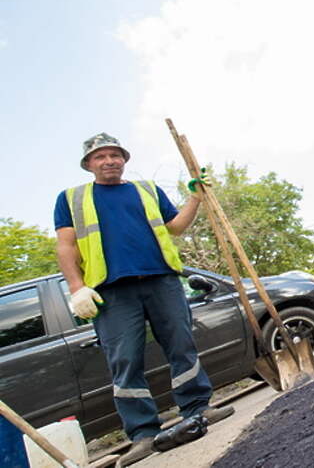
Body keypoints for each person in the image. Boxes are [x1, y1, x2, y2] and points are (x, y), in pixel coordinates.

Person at [53, 133, 232, 467]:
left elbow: (175, 227)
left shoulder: (147, 190)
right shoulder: (71, 199)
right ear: (88, 164)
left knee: (181, 346)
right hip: (111, 292)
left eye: (115, 155)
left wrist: (195, 198)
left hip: (161, 281)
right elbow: (66, 246)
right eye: (100, 156)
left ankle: (198, 408)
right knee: (124, 361)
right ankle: (143, 434)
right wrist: (77, 287)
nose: (109, 161)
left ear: (124, 159)